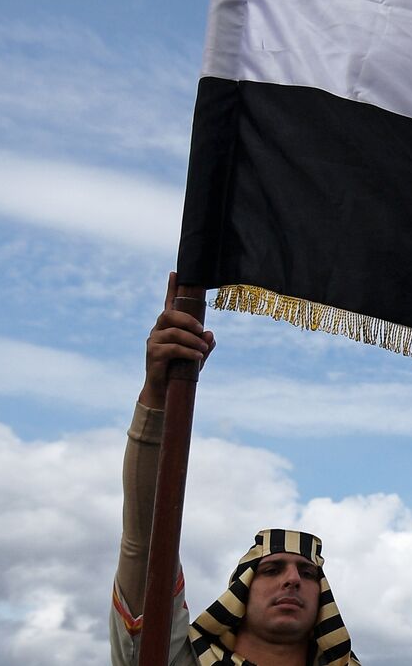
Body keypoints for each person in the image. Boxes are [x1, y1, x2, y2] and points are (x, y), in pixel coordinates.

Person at [111, 273, 360, 665]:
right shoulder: (177, 660)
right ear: (241, 591)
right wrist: (158, 395)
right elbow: (145, 547)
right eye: (273, 569)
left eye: (308, 574)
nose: (292, 580)